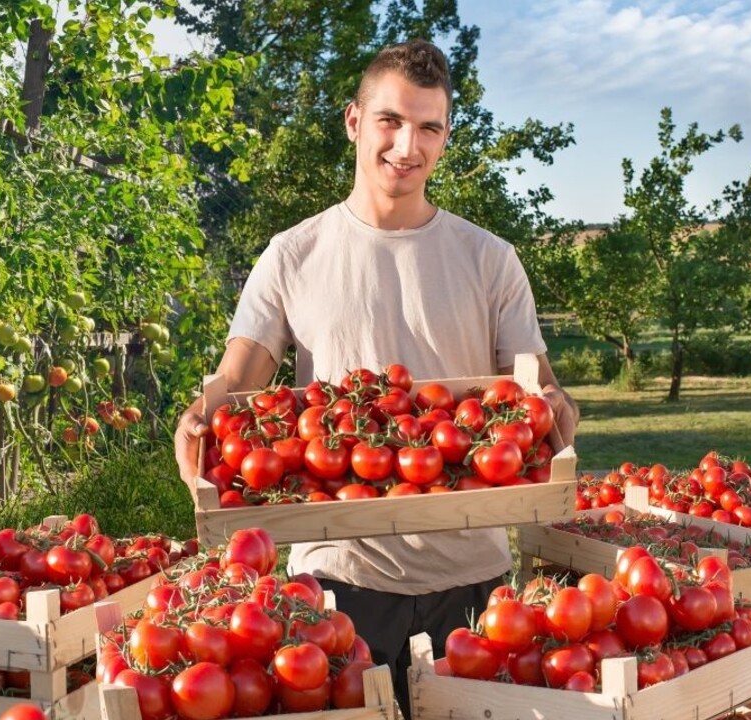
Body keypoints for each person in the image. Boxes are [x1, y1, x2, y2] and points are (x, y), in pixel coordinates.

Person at [174, 39, 578, 711]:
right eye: (390, 120)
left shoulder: (491, 260)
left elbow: (535, 386)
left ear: (447, 137)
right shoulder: (294, 255)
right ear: (354, 121)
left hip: (474, 579)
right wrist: (201, 410)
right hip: (338, 581)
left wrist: (561, 412)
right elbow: (242, 372)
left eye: (428, 127)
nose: (406, 145)